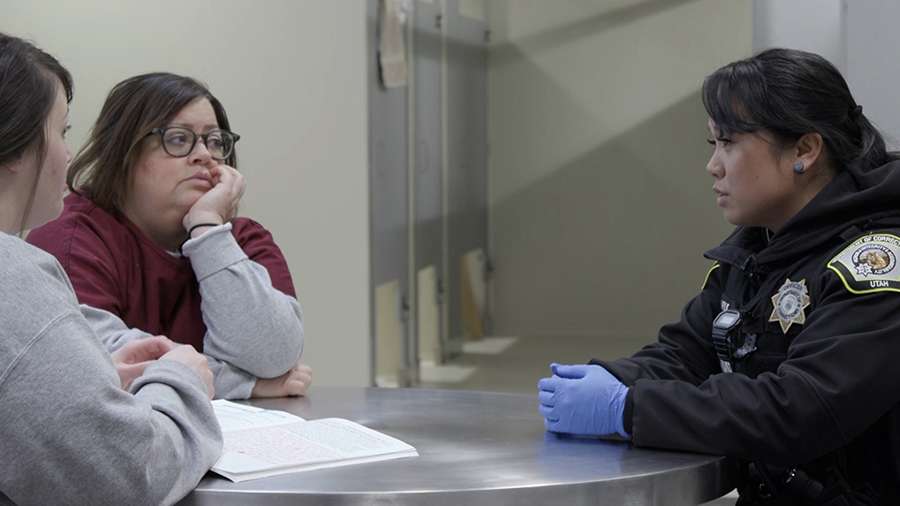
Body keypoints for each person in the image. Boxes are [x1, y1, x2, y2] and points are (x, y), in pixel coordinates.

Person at [538, 48, 900, 504]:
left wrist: (627, 409)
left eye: (728, 143)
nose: (714, 165)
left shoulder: (876, 264)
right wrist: (612, 379)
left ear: (804, 150)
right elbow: (688, 354)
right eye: (714, 145)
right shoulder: (757, 253)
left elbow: (801, 410)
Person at [0, 33, 221, 505]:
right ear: (16, 148)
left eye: (214, 141)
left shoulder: (228, 232)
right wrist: (181, 378)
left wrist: (93, 376)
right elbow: (129, 474)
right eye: (60, 132)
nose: (67, 153)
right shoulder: (19, 270)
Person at [28, 72, 310, 400]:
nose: (204, 155)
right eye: (178, 139)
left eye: (215, 141)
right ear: (124, 153)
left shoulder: (242, 240)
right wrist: (246, 385)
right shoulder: (71, 236)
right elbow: (94, 363)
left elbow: (275, 357)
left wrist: (206, 228)